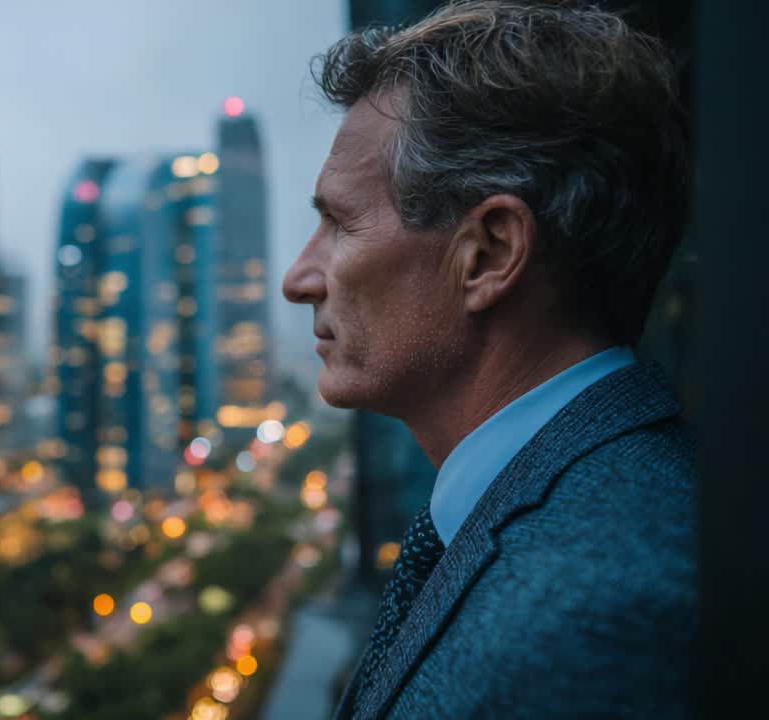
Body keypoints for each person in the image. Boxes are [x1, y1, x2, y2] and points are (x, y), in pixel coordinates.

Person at [281, 2, 693, 718]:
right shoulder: (593, 509)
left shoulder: (594, 619)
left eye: (339, 224)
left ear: (490, 254)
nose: (298, 279)